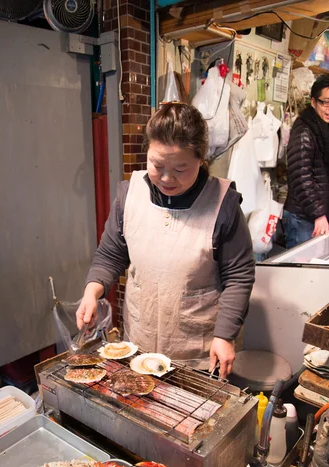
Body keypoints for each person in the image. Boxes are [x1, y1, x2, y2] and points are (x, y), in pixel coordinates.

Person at [76, 103, 255, 378]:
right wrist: (92, 291)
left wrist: (225, 335)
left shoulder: (223, 204)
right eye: (157, 165)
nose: (167, 178)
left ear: (200, 159)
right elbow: (111, 254)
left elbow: (239, 276)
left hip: (198, 353)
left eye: (181, 168)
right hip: (140, 345)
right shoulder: (130, 193)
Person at [283, 74, 329, 248]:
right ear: (313, 101)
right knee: (299, 272)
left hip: (318, 216)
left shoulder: (323, 129)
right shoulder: (305, 130)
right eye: (325, 102)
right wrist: (318, 214)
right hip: (304, 218)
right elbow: (301, 177)